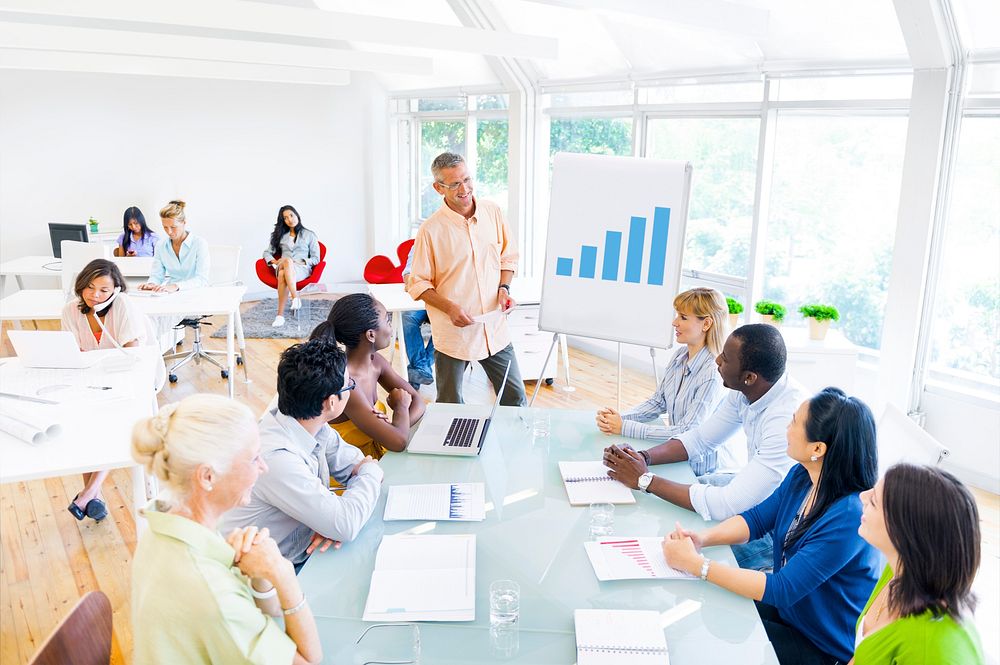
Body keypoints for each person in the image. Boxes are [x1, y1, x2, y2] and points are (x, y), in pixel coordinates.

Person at [662, 388, 881, 665]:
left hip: (820, 645)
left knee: (714, 644)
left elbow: (782, 588)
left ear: (818, 449)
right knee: (714, 614)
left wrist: (698, 566)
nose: (786, 429)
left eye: (793, 423)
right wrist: (702, 539)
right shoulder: (803, 475)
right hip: (791, 614)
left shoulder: (848, 516)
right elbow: (756, 520)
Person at [131, 394, 322, 664]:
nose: (264, 467)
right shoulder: (212, 594)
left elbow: (260, 612)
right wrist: (283, 573)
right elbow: (310, 661)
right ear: (208, 476)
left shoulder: (163, 523)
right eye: (254, 458)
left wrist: (262, 576)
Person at [603, 324, 804, 570]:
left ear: (749, 377)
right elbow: (701, 439)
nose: (717, 360)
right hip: (752, 497)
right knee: (670, 520)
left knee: (673, 554)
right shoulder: (749, 389)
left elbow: (727, 504)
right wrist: (642, 457)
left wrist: (644, 480)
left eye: (726, 358)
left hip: (777, 529)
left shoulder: (785, 421)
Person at [218, 338, 384, 571]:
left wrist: (332, 521)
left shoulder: (309, 424)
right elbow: (347, 520)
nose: (352, 389)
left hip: (298, 553)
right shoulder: (276, 458)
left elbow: (354, 465)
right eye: (350, 385)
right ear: (332, 402)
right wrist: (369, 474)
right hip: (262, 575)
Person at [406, 152, 527, 406]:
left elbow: (508, 257)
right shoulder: (430, 230)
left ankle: (514, 444)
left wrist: (504, 287)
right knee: (450, 404)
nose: (465, 189)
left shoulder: (492, 212)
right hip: (454, 334)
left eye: (467, 179)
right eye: (455, 184)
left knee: (515, 398)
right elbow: (417, 282)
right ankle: (456, 446)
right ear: (438, 188)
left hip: (493, 327)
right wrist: (449, 308)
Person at [851, 464, 984, 664]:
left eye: (874, 501)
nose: (863, 496)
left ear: (904, 532)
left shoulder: (930, 649)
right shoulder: (898, 569)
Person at [596, 287, 729, 475]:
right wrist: (619, 419)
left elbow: (686, 431)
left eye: (683, 317)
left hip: (698, 471)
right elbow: (658, 401)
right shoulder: (680, 356)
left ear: (706, 323)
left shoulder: (712, 374)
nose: (675, 322)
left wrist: (625, 427)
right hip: (677, 459)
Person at [61, 258, 148, 522]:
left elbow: (132, 354)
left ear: (116, 291)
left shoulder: (123, 306)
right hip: (89, 382)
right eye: (89, 287)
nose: (95, 296)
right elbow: (71, 353)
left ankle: (88, 496)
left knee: (113, 425)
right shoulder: (70, 311)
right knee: (86, 428)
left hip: (130, 379)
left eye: (103, 290)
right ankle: (93, 496)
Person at [310, 293, 425, 459]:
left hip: (375, 460)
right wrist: (400, 408)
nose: (391, 327)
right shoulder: (346, 383)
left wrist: (394, 427)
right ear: (371, 335)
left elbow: (418, 402)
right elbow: (398, 441)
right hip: (350, 474)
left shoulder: (376, 362)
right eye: (387, 320)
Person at [263, 205, 321, 328]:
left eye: (291, 215)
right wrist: (275, 261)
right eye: (285, 218)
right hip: (282, 265)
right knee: (287, 262)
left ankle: (280, 316)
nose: (290, 219)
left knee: (283, 274)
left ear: (297, 215)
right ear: (283, 221)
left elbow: (316, 259)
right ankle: (295, 298)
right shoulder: (280, 236)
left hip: (301, 269)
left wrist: (301, 261)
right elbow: (267, 253)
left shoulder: (309, 235)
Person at [140, 200, 210, 292]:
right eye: (165, 227)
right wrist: (151, 284)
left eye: (173, 227)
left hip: (196, 293)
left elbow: (202, 280)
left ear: (184, 223)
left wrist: (176, 286)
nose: (169, 232)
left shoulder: (199, 244)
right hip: (171, 293)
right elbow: (157, 275)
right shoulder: (161, 246)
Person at [401, 244, 435, 389]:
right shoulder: (421, 242)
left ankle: (417, 370)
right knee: (408, 317)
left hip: (449, 300)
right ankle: (422, 367)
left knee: (448, 324)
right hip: (424, 296)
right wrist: (411, 282)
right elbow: (408, 272)